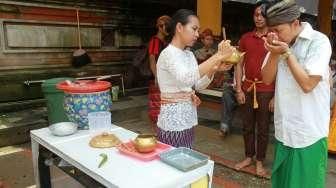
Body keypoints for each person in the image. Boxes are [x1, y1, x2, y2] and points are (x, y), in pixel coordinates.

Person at [260, 0, 331, 187]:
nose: (274, 35)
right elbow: (266, 78)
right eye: (271, 30)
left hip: (309, 134)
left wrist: (287, 54)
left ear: (295, 22)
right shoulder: (279, 42)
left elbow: (308, 84)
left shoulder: (318, 42)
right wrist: (275, 53)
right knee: (282, 183)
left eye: (278, 30)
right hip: (285, 131)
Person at [156, 9, 235, 148]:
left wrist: (214, 69)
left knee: (185, 159)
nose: (197, 34)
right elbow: (186, 78)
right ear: (179, 27)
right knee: (172, 163)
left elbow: (197, 85)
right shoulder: (168, 54)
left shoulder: (189, 55)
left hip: (188, 119)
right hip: (173, 122)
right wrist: (218, 55)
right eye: (194, 29)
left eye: (198, 30)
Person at [233, 4, 274, 176]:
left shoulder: (274, 39)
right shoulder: (245, 38)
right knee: (247, 126)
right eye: (256, 14)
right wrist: (238, 89)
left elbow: (281, 69)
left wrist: (275, 97)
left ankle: (259, 161)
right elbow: (238, 64)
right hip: (247, 87)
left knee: (263, 128)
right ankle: (248, 157)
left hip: (266, 90)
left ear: (268, 17)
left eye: (262, 15)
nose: (258, 18)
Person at [147, 15, 171, 133]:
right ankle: (156, 133)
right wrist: (157, 76)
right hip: (157, 79)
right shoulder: (155, 41)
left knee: (162, 106)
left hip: (164, 79)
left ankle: (161, 132)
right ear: (161, 27)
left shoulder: (164, 42)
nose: (168, 30)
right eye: (167, 27)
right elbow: (152, 60)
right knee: (156, 107)